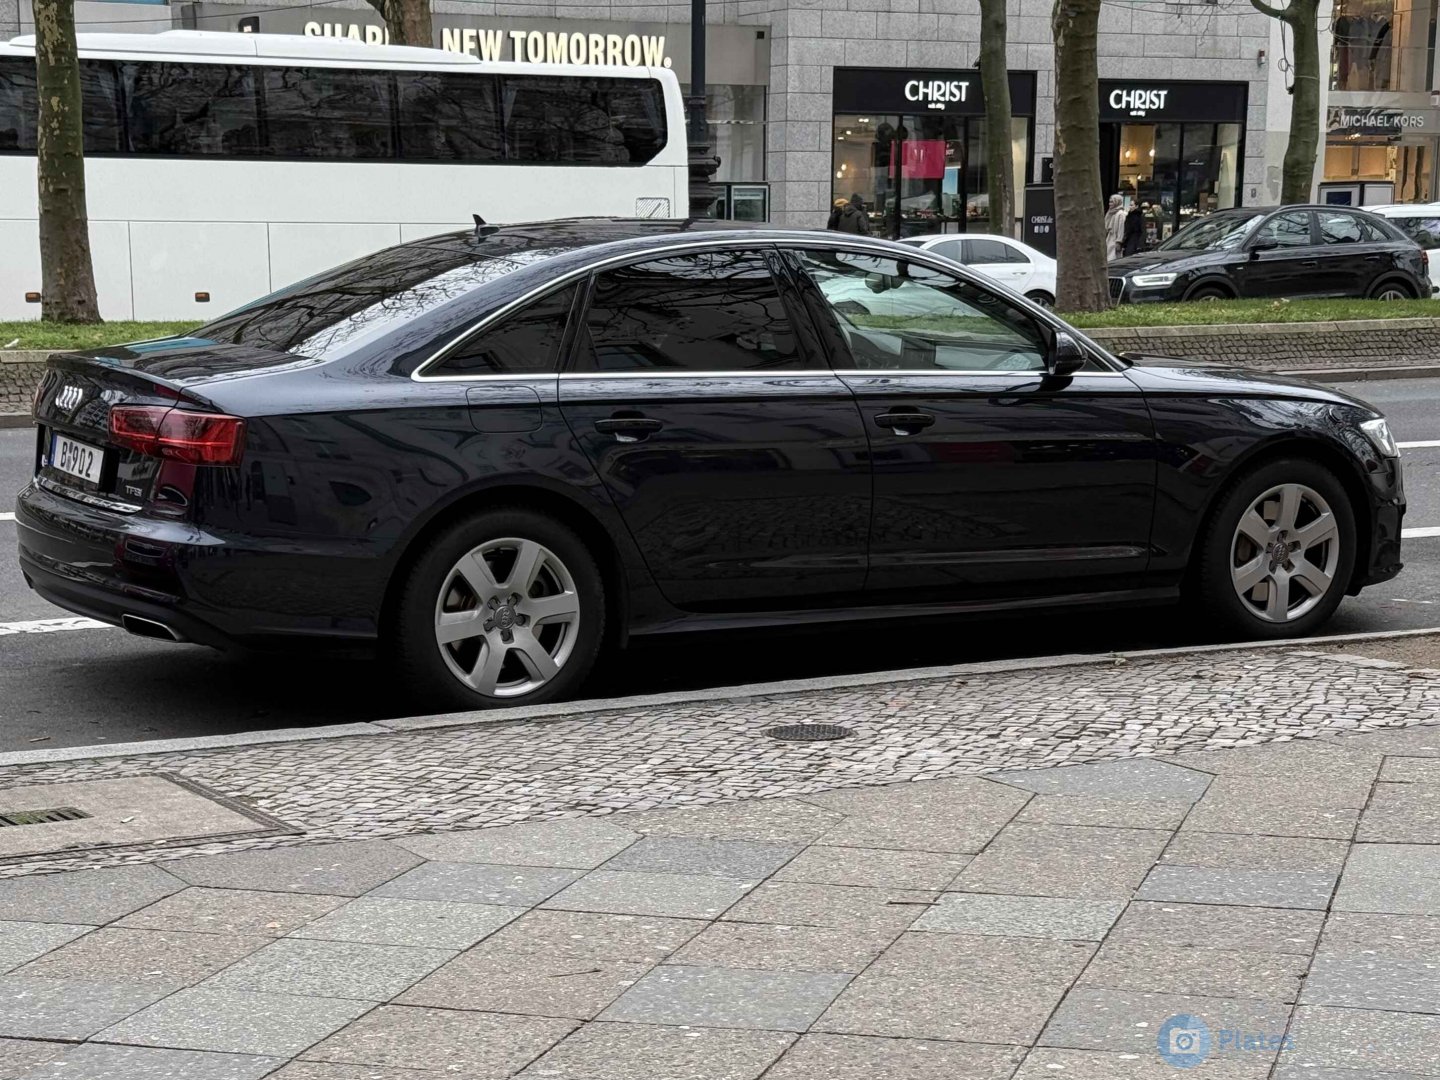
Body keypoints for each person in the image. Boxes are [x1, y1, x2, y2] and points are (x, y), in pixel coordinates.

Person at [1105, 195, 1125, 261]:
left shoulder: (1121, 214)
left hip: (1115, 240)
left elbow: (1121, 228)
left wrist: (1118, 241)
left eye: (1112, 202)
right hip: (1109, 238)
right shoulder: (1110, 213)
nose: (1110, 204)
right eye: (1109, 202)